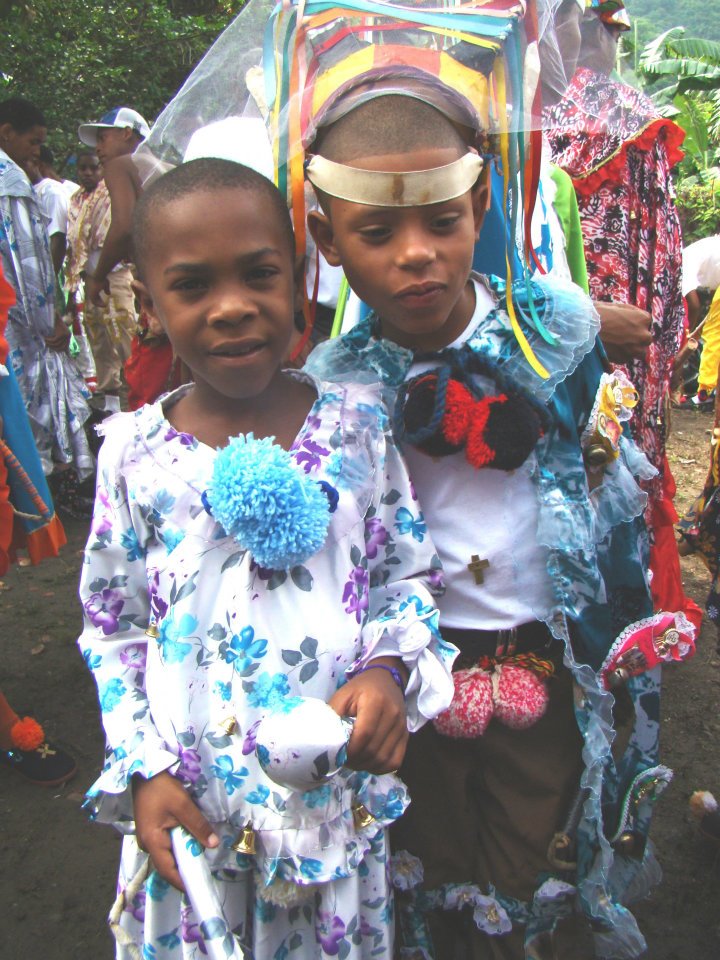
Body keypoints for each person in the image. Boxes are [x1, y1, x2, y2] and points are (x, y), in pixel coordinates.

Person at [304, 85, 674, 959]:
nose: (416, 255)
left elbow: (601, 483)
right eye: (376, 233)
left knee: (537, 839)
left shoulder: (551, 331)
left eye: (442, 222)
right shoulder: (339, 383)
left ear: (479, 207)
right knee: (425, 844)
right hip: (411, 667)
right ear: (327, 240)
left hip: (547, 645)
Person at [78, 157, 454, 959]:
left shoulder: (356, 429)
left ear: (299, 277)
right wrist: (144, 770)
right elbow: (114, 629)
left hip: (329, 811)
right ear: (149, 300)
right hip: (196, 819)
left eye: (259, 274)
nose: (232, 307)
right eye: (192, 286)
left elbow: (404, 574)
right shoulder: (133, 457)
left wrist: (388, 671)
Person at [544, 1, 692, 621]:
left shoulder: (522, 112)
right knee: (618, 456)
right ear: (605, 36)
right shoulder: (633, 120)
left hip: (539, 333)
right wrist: (662, 346)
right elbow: (664, 257)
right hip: (622, 334)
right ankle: (626, 608)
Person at [0, 97, 93, 512]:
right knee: (26, 411)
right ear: (7, 133)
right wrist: (48, 320)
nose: (37, 151)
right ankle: (34, 504)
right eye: (34, 141)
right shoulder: (11, 185)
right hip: (17, 323)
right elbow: (28, 263)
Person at [65, 146, 137, 407]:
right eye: (82, 168)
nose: (87, 173)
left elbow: (120, 230)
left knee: (125, 333)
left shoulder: (112, 194)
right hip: (90, 277)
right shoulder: (76, 200)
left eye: (93, 167)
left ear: (102, 168)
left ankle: (136, 393)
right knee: (99, 337)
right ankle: (110, 400)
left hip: (115, 275)